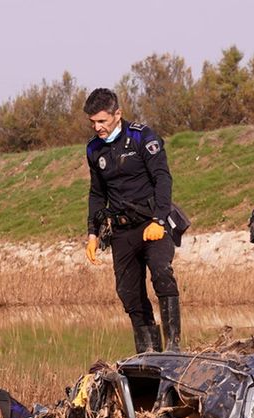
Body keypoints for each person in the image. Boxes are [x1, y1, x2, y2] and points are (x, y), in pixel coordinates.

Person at [82, 87, 181, 354]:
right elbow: (96, 193)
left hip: (152, 223)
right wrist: (92, 234)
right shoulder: (93, 149)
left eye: (102, 121)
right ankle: (149, 353)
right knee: (129, 294)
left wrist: (159, 220)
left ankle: (173, 348)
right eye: (92, 122)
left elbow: (163, 178)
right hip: (121, 231)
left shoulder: (142, 137)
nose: (97, 127)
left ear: (117, 114)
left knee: (162, 275)